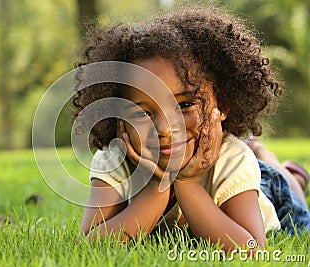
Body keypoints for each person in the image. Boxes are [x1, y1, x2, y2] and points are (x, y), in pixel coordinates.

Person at [72, 5, 310, 251]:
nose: (164, 129)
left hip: (265, 192)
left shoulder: (233, 158)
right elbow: (91, 245)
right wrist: (159, 185)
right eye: (142, 112)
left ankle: (288, 172)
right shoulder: (115, 159)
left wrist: (188, 184)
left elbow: (251, 250)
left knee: (283, 185)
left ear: (223, 105)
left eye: (184, 104)